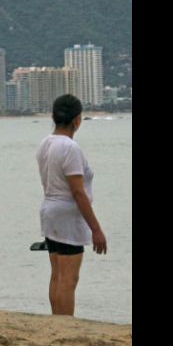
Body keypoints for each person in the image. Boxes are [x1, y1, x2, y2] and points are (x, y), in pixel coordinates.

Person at [36, 94, 107, 316]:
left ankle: (57, 320)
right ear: (77, 120)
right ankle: (65, 322)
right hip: (67, 215)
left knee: (57, 273)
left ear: (53, 116)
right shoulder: (70, 148)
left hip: (49, 210)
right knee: (69, 278)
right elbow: (78, 192)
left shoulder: (45, 144)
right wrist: (96, 229)